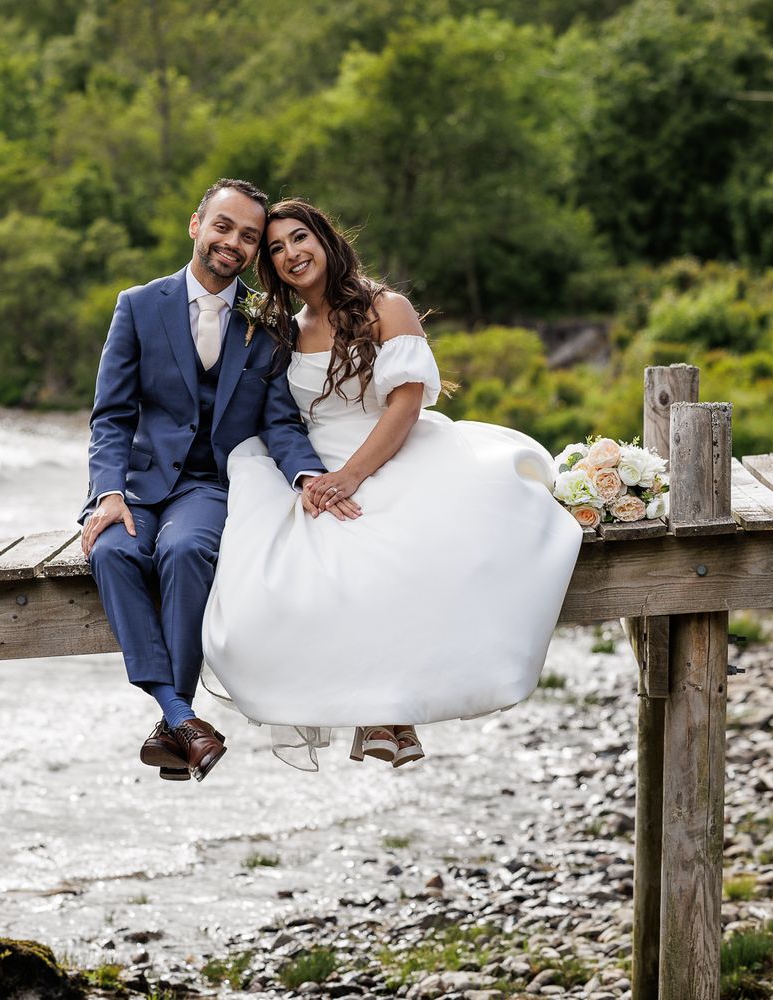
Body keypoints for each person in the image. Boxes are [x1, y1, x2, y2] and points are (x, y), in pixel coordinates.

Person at [201, 198, 583, 770]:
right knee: (294, 563)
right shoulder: (285, 331)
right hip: (318, 461)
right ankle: (369, 704)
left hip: (391, 447)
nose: (291, 253)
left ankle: (392, 711)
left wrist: (351, 476)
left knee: (398, 545)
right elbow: (281, 420)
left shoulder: (386, 307)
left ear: (325, 239)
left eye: (300, 237)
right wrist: (314, 478)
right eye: (276, 248)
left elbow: (406, 404)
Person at [80, 179, 359, 783]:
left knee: (186, 551)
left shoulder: (269, 321)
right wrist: (108, 493)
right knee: (112, 551)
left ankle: (174, 725)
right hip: (134, 483)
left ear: (255, 251)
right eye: (223, 226)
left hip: (209, 485)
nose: (233, 242)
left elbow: (279, 421)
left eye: (249, 236)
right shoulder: (138, 305)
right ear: (196, 225)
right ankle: (182, 719)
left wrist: (310, 477)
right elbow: (112, 415)